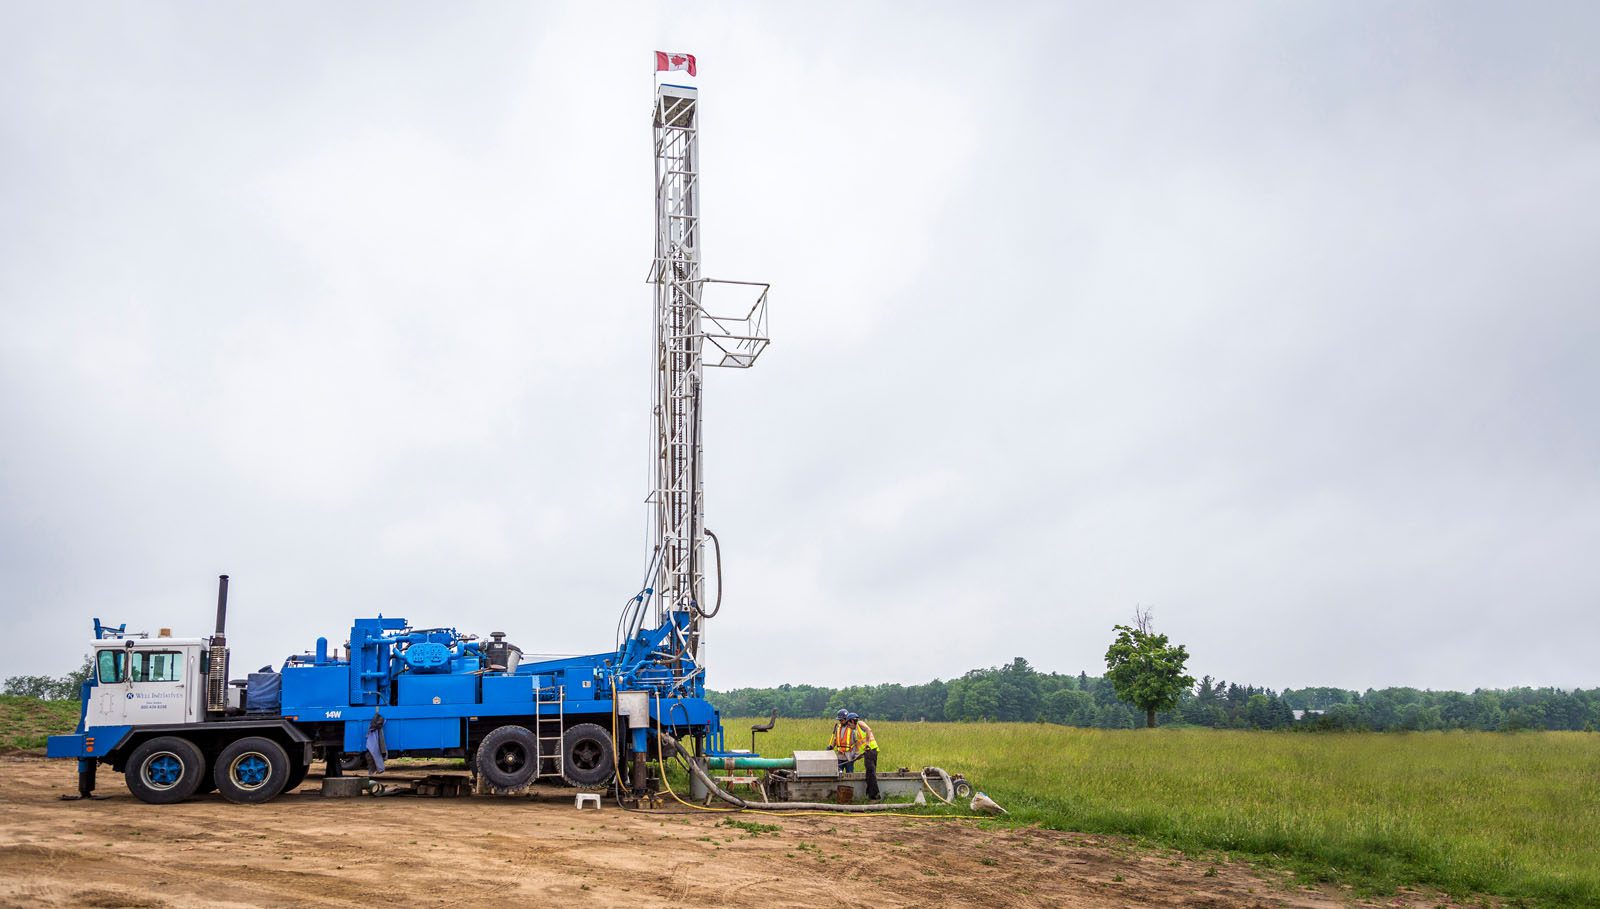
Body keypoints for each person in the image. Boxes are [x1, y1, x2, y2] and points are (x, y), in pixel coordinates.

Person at [848, 712, 881, 799]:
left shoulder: (860, 723)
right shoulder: (855, 732)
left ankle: (875, 796)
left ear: (852, 720)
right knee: (869, 774)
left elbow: (868, 730)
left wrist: (867, 743)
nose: (848, 725)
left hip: (871, 751)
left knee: (871, 774)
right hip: (867, 753)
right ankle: (871, 795)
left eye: (848, 723)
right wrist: (857, 757)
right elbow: (860, 748)